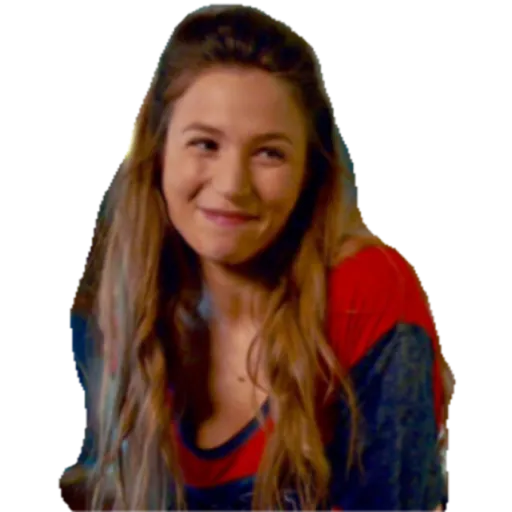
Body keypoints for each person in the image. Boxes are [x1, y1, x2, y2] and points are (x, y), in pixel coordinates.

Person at [59, 4, 456, 511]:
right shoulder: (131, 297)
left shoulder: (368, 290)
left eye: (270, 152)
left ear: (309, 170)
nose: (232, 186)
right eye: (205, 143)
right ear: (158, 155)